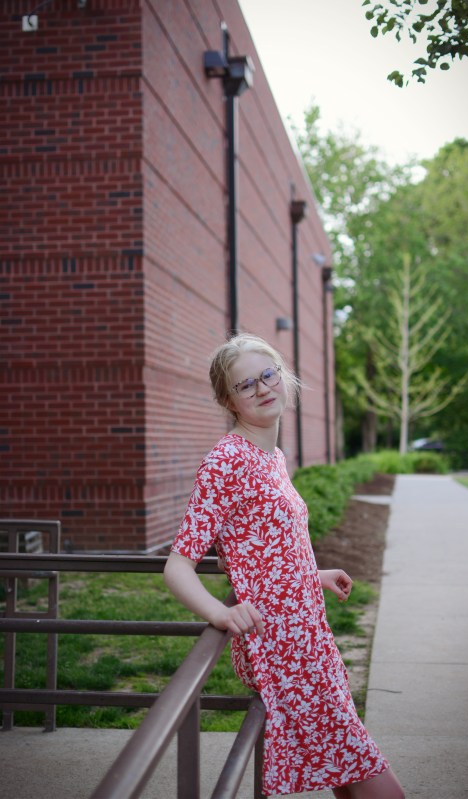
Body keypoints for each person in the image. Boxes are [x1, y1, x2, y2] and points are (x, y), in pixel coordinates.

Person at [164, 333, 404, 799]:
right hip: (282, 649)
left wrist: (314, 576)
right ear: (228, 400)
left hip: (308, 636)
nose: (262, 388)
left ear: (284, 377)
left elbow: (263, 548)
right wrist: (221, 613)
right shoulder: (226, 461)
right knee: (376, 785)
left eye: (268, 375)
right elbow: (177, 566)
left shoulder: (272, 456)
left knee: (346, 776)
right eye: (245, 384)